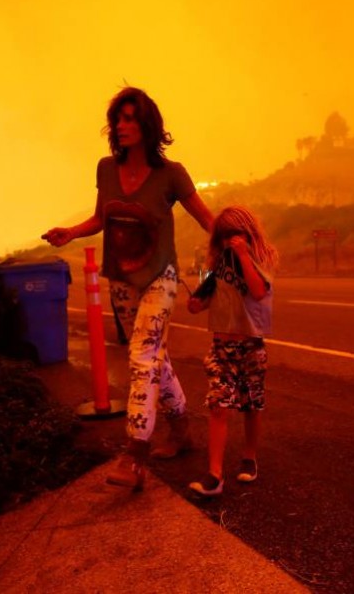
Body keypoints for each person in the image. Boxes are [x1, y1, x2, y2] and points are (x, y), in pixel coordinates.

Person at [43, 87, 213, 491]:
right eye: (118, 119)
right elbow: (102, 217)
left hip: (160, 277)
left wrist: (239, 241)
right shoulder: (106, 168)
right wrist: (71, 232)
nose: (121, 126)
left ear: (147, 125)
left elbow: (208, 219)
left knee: (141, 355)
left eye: (130, 118)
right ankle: (181, 430)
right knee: (155, 357)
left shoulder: (171, 174)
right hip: (121, 279)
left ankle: (134, 453)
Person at [186, 206, 278, 496]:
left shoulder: (261, 259)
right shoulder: (219, 267)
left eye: (236, 233)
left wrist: (243, 255)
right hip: (221, 346)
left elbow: (258, 291)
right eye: (225, 235)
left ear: (249, 233)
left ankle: (249, 457)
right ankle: (215, 475)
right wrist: (196, 303)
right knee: (218, 405)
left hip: (250, 344)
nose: (230, 240)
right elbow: (202, 301)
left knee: (251, 405)